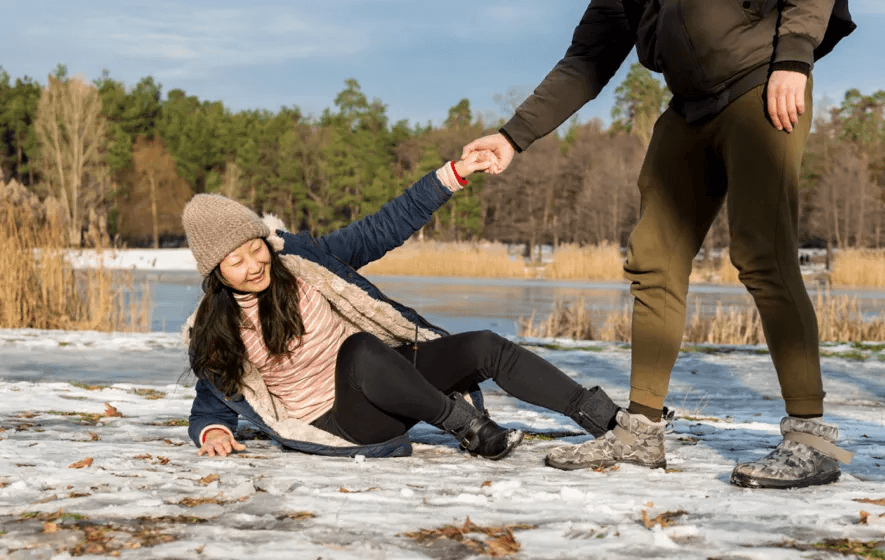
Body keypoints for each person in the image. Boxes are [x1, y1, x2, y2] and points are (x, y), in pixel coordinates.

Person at [462, 1, 856, 488]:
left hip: (762, 80)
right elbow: (586, 61)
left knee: (763, 254)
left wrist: (794, 58)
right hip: (690, 108)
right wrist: (511, 137)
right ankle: (641, 431)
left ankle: (810, 440)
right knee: (653, 259)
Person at [182, 153, 621, 461]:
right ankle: (468, 428)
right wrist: (214, 429)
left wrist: (454, 174)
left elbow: (383, 227)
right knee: (358, 350)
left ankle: (604, 418)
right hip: (342, 421)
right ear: (215, 272)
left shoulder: (305, 262)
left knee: (483, 345)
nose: (253, 265)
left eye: (255, 249)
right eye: (235, 262)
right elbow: (216, 395)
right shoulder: (216, 327)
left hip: (391, 385)